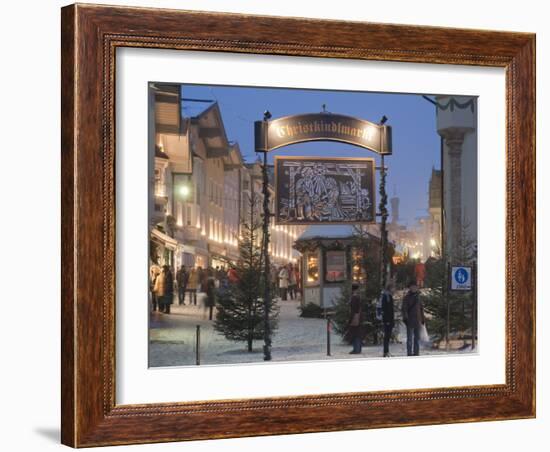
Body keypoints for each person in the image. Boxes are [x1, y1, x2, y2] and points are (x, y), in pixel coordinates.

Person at [401, 281, 425, 356]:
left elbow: (421, 309)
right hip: (410, 320)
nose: (414, 288)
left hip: (418, 320)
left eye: (416, 287)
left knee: (417, 339)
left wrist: (423, 318)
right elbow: (404, 309)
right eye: (413, 287)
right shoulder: (407, 298)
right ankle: (409, 353)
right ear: (410, 288)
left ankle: (416, 352)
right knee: (410, 339)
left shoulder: (419, 297)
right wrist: (405, 318)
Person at [381, 283, 395, 357]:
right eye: (393, 288)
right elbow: (387, 309)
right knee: (387, 336)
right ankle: (385, 351)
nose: (394, 290)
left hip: (389, 319)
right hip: (387, 320)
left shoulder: (388, 296)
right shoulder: (387, 296)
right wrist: (388, 320)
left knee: (387, 336)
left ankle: (386, 351)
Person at [348, 283, 363, 354]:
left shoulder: (354, 297)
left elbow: (353, 309)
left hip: (355, 317)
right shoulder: (359, 297)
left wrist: (351, 318)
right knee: (358, 333)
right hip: (359, 316)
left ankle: (356, 349)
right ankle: (358, 348)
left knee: (355, 333)